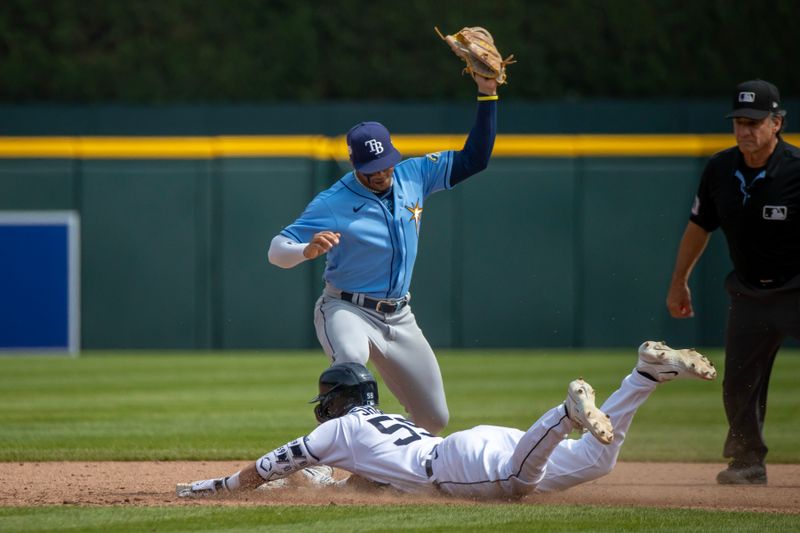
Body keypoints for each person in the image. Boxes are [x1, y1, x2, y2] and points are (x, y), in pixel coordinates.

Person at [176, 341, 716, 499]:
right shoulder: (383, 423)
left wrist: (211, 487)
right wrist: (333, 487)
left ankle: (563, 414)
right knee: (597, 463)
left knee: (516, 483)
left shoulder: (334, 431)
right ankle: (643, 377)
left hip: (458, 465)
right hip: (470, 444)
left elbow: (271, 465)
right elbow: (371, 481)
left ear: (335, 401)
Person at [267, 74, 500, 435]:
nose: (382, 172)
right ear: (355, 165)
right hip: (347, 309)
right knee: (351, 374)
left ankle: (376, 470)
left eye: (387, 162)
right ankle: (320, 463)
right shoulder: (332, 202)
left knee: (434, 419)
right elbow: (276, 251)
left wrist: (488, 95)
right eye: (372, 168)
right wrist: (305, 249)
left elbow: (476, 159)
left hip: (399, 315)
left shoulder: (415, 174)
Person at [666, 79, 800, 485]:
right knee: (739, 381)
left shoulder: (796, 170)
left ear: (777, 123)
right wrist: (679, 282)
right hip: (748, 292)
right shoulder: (720, 169)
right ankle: (747, 461)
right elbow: (699, 226)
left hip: (796, 288)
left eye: (755, 122)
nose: (745, 130)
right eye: (739, 121)